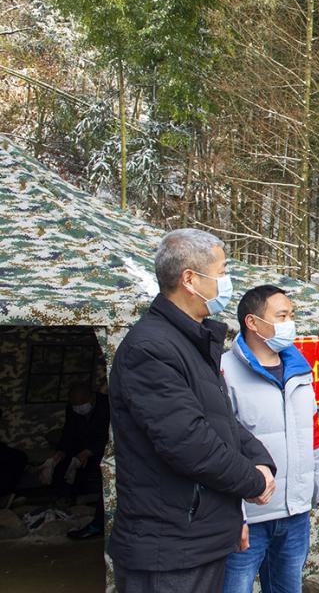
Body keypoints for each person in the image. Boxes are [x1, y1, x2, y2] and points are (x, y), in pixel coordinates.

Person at [109, 229, 277, 593]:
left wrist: (260, 462)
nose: (228, 281)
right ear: (190, 279)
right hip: (169, 548)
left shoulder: (193, 341)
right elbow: (188, 441)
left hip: (199, 537)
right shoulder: (151, 348)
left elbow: (221, 422)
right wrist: (252, 480)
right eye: (222, 270)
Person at [221, 285, 319, 593]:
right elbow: (220, 447)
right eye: (282, 315)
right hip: (249, 514)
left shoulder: (300, 370)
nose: (290, 322)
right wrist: (233, 514)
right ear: (253, 322)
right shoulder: (224, 371)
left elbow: (313, 434)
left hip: (295, 514)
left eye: (292, 315)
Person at [38, 382, 110, 539]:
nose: (78, 408)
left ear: (90, 398)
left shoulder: (108, 404)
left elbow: (111, 434)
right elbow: (69, 432)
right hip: (82, 445)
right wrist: (61, 452)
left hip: (105, 448)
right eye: (75, 405)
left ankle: (98, 522)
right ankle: (63, 499)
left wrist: (89, 452)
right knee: (63, 464)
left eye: (81, 404)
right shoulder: (73, 409)